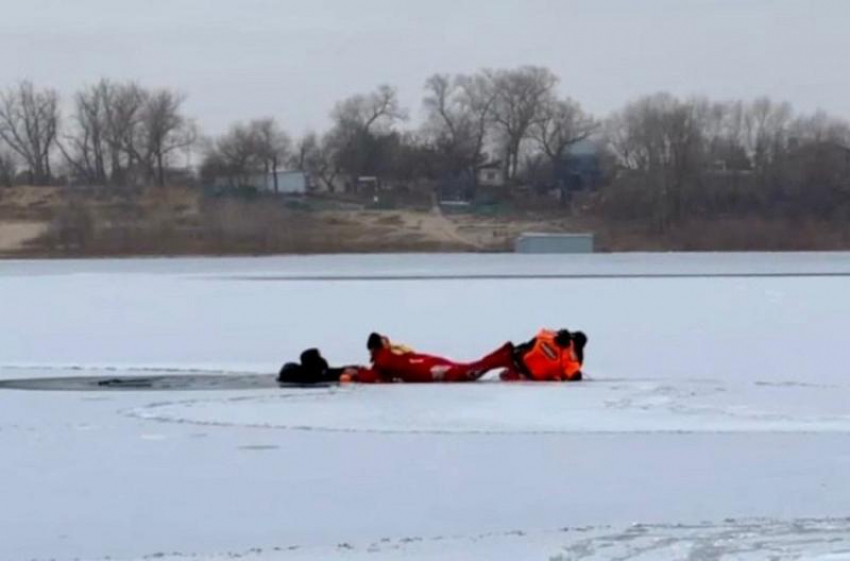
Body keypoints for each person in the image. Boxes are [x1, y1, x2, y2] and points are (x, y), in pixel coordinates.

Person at [360, 332, 515, 383]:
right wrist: (357, 373)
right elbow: (376, 375)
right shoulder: (384, 359)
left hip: (429, 366)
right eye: (383, 340)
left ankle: (505, 356)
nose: (387, 340)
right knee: (468, 370)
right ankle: (505, 356)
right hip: (431, 368)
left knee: (468, 369)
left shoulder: (388, 355)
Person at [501, 328, 588, 382]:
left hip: (529, 370)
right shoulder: (550, 337)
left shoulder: (574, 359)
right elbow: (535, 340)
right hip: (525, 363)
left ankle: (513, 371)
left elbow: (573, 374)